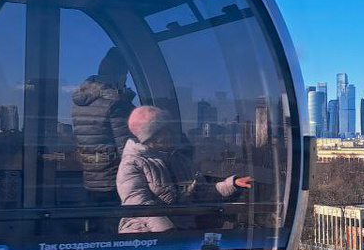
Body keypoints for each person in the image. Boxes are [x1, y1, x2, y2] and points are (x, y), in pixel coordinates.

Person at [115, 106, 252, 235]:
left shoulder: (180, 160)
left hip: (181, 234)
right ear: (151, 136)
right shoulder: (132, 163)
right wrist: (168, 234)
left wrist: (232, 184)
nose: (170, 134)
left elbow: (201, 192)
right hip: (146, 237)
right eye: (165, 131)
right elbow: (140, 206)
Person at [70, 47, 136, 211]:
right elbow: (125, 147)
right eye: (125, 75)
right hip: (112, 179)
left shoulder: (80, 101)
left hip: (91, 176)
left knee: (96, 221)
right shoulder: (115, 102)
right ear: (120, 74)